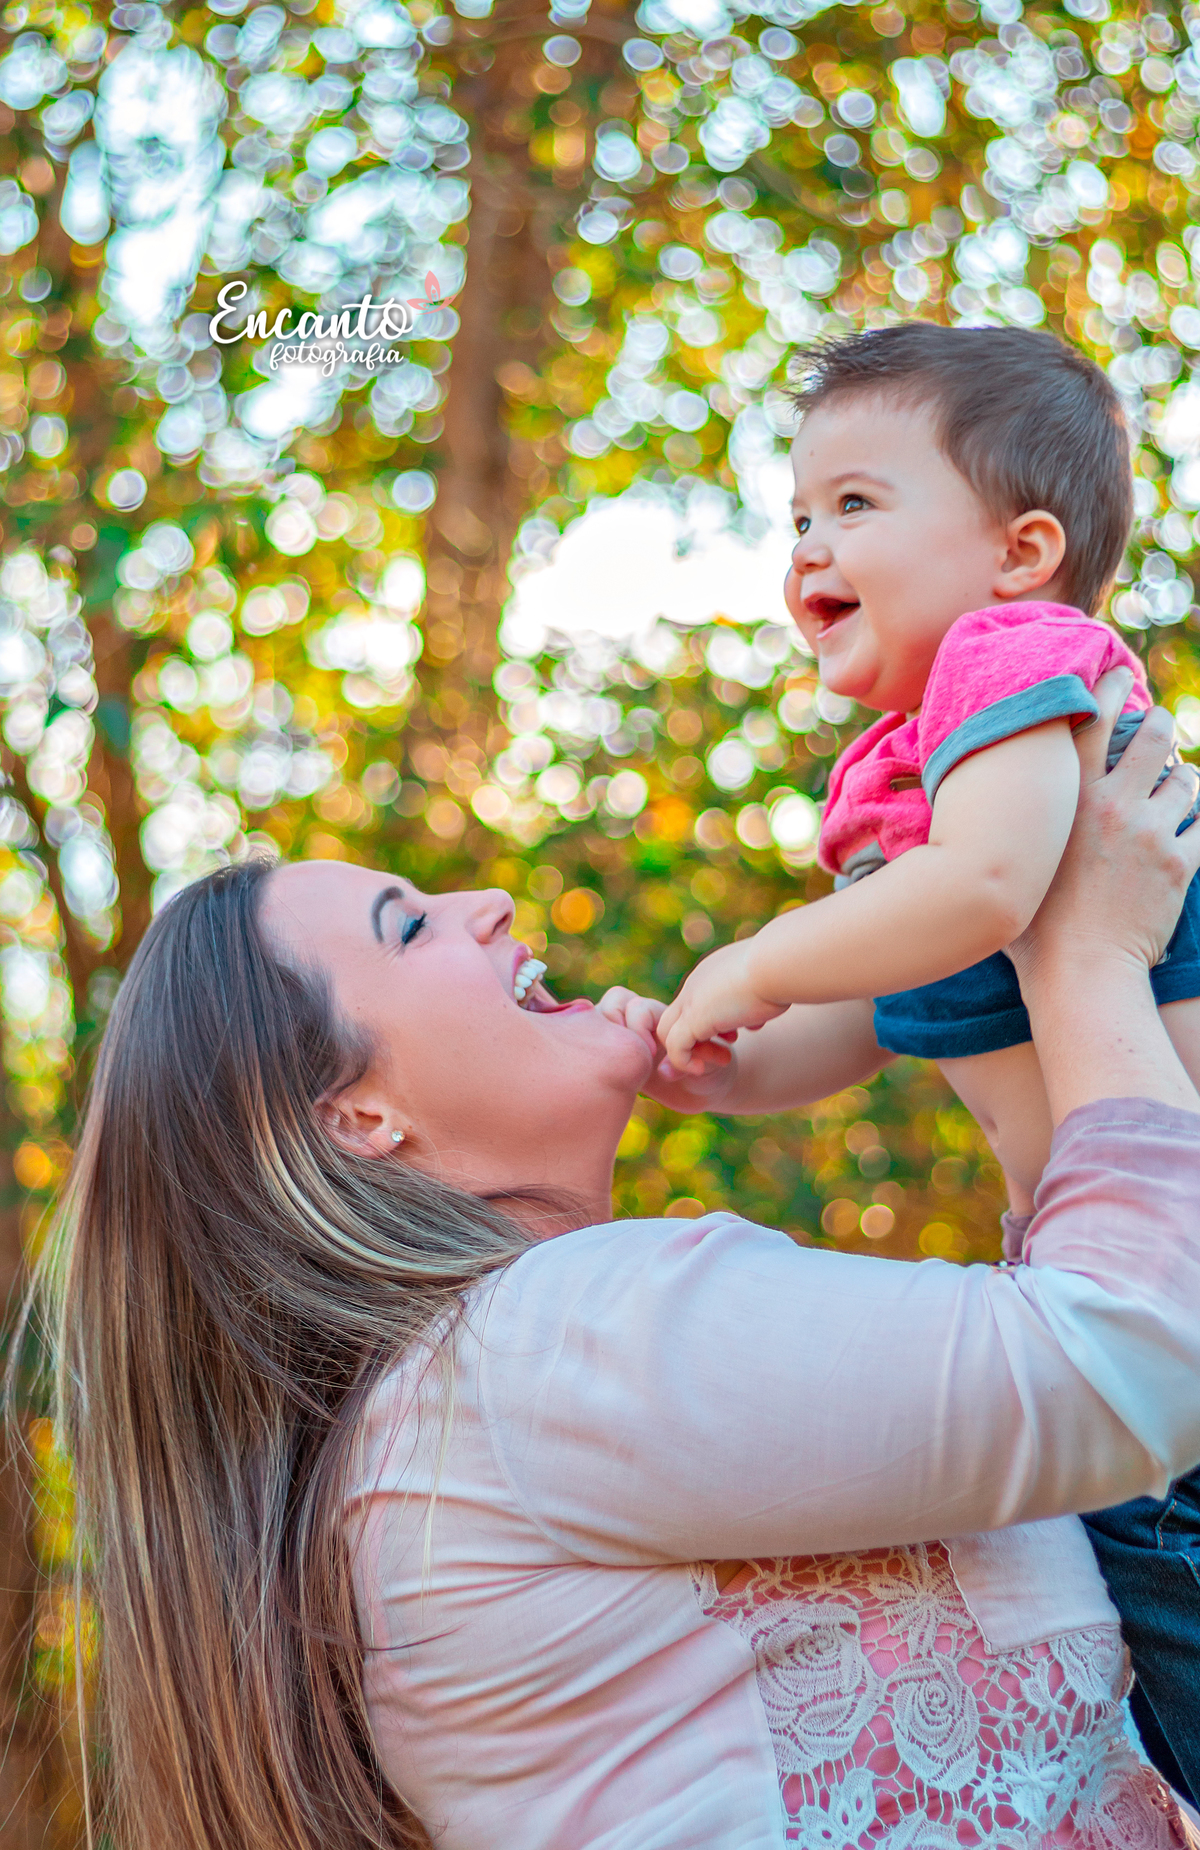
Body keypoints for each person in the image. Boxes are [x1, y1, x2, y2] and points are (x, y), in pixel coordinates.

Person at [30, 681, 1200, 1850]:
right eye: (408, 925)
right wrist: (1090, 954)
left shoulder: (467, 1399)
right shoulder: (533, 1346)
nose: (485, 900)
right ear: (357, 1117)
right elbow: (1130, 1350)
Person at [649, 324, 1200, 1798]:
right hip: (1131, 1271)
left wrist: (755, 961)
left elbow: (983, 899)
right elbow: (886, 998)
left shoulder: (1017, 664)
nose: (808, 548)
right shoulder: (924, 758)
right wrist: (730, 1058)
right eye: (797, 517)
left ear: (1023, 550)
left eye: (856, 505)